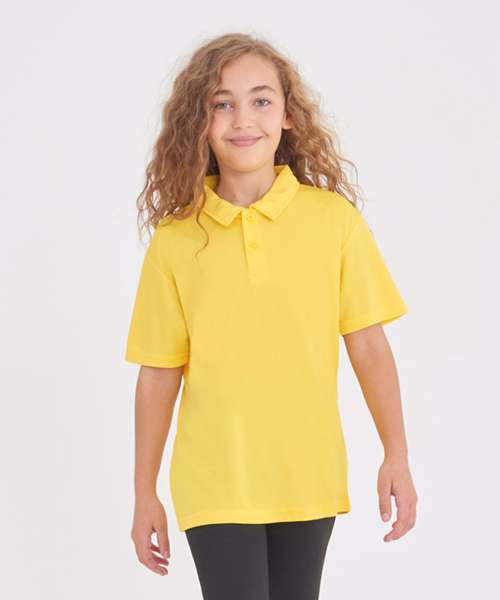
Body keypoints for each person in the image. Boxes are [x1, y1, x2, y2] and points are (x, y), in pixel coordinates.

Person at [124, 32, 418, 600]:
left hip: (307, 473)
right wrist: (144, 493)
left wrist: (396, 456)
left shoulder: (333, 221)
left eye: (261, 100)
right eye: (222, 103)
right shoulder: (176, 239)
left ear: (287, 115)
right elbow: (158, 373)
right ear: (200, 121)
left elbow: (368, 344)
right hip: (215, 478)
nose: (243, 119)